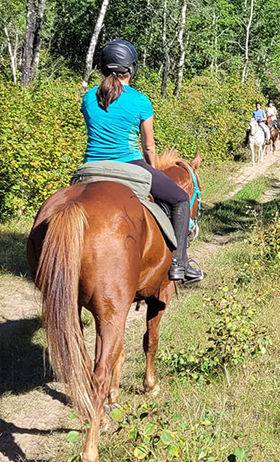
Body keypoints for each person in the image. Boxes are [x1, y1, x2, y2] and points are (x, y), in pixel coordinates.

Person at [81, 38, 203, 284]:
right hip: (130, 163)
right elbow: (148, 146)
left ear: (103, 67)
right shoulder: (140, 101)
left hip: (90, 166)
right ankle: (180, 263)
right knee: (180, 199)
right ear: (132, 68)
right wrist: (152, 168)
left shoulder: (88, 97)